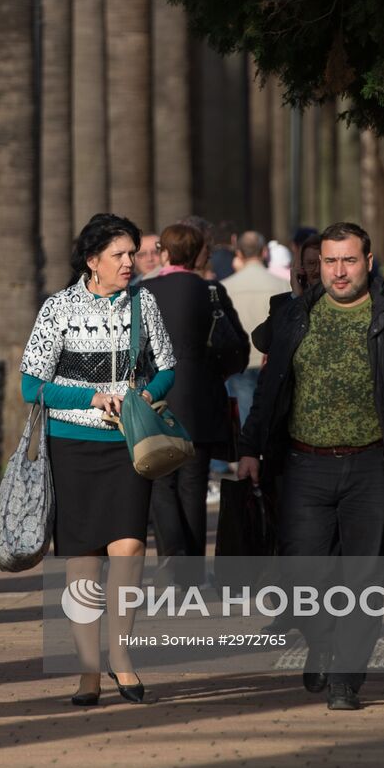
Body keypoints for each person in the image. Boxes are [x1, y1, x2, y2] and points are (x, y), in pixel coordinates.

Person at [238, 222, 384, 711]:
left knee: (362, 578)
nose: (338, 271)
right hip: (303, 464)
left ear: (368, 262)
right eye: (330, 261)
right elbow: (270, 388)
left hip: (372, 466)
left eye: (348, 260)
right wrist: (250, 446)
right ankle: (321, 638)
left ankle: (345, 679)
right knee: (300, 575)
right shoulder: (294, 315)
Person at [19, 213, 177, 705]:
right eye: (119, 255)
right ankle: (89, 670)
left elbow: (167, 367)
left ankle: (121, 658)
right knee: (83, 558)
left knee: (128, 549)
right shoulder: (58, 309)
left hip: (127, 446)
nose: (131, 262)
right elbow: (31, 386)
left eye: (132, 253)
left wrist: (142, 398)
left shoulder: (144, 302)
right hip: (71, 445)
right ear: (92, 261)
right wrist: (88, 399)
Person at [147, 223, 249, 583]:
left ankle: (171, 555)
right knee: (193, 482)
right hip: (200, 399)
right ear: (199, 253)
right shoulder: (210, 292)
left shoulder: (142, 293)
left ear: (165, 252)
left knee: (160, 480)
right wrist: (217, 373)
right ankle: (190, 571)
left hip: (155, 398)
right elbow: (237, 346)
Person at [222, 230, 290, 426]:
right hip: (271, 361)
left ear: (239, 253)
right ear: (264, 252)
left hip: (240, 361)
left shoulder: (225, 286)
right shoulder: (282, 285)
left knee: (246, 421)